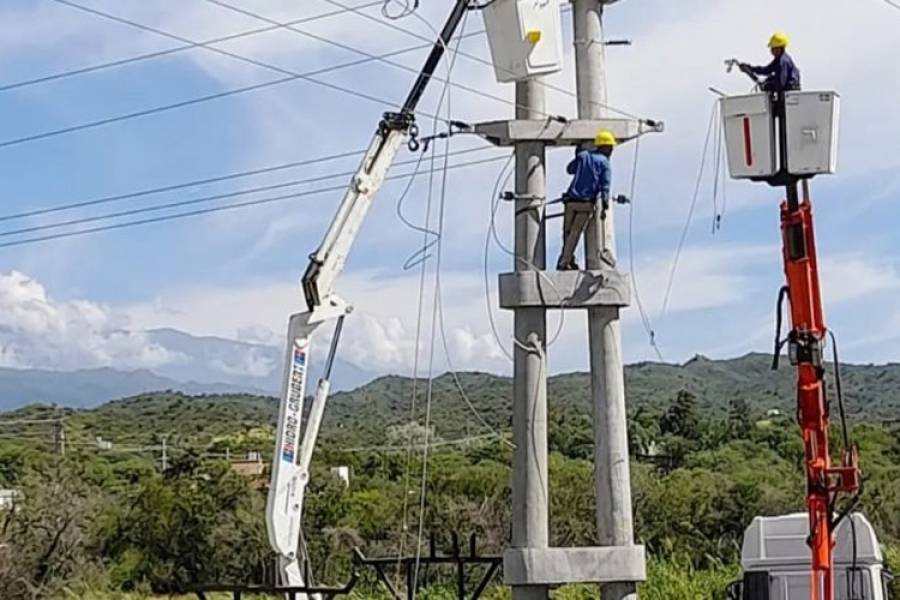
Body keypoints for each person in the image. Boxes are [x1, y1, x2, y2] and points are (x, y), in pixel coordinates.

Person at [556, 129, 615, 271]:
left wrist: (578, 156)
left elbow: (570, 169)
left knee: (567, 232)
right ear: (605, 147)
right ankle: (564, 262)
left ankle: (569, 260)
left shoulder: (583, 156)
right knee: (575, 233)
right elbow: (605, 186)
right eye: (611, 147)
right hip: (586, 203)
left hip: (571, 200)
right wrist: (605, 204)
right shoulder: (605, 163)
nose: (612, 150)